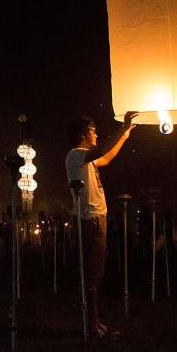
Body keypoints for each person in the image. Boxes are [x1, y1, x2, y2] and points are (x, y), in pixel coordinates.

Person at [64, 110, 138, 338]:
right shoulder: (76, 154)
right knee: (92, 274)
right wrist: (122, 128)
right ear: (82, 134)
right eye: (93, 131)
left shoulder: (87, 158)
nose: (96, 134)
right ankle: (92, 324)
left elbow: (106, 157)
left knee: (96, 273)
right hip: (89, 220)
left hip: (97, 219)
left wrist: (125, 137)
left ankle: (94, 321)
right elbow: (102, 150)